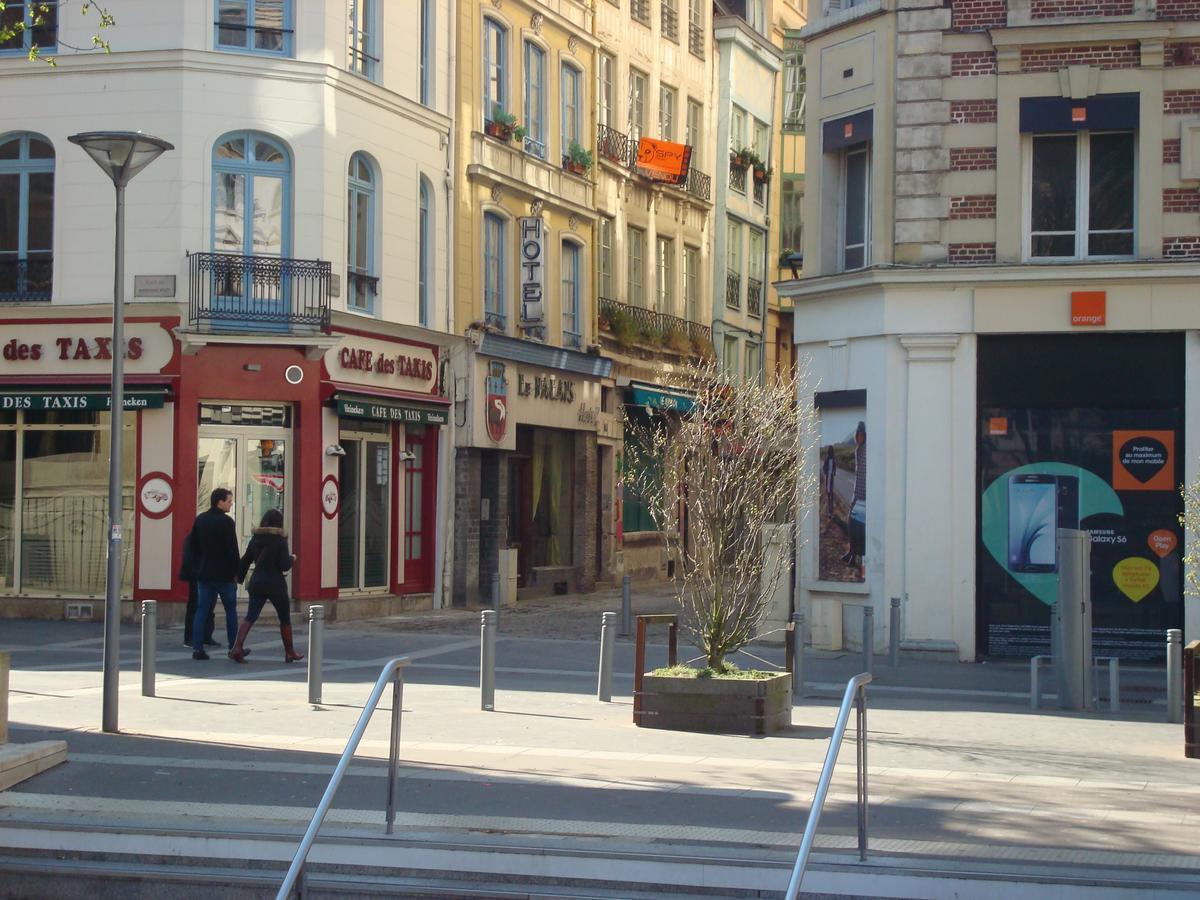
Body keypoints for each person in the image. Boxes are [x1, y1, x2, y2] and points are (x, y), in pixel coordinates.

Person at [230, 508, 303, 663]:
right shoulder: (280, 540)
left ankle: (237, 647)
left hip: (257, 582)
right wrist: (292, 558)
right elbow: (283, 565)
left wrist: (239, 579)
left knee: (250, 616)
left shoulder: (256, 539)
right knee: (284, 617)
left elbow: (245, 560)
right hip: (275, 583)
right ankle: (289, 652)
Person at [190, 488, 240, 661]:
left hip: (204, 574)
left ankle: (197, 648)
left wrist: (197, 567)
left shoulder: (200, 520)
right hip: (224, 574)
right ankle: (233, 647)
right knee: (230, 611)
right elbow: (232, 549)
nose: (231, 503)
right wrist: (236, 572)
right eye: (229, 501)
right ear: (220, 502)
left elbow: (193, 547)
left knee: (202, 610)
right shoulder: (226, 522)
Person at [178, 528, 217, 649]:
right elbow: (189, 560)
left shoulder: (207, 538)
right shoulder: (192, 539)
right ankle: (190, 637)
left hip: (209, 576)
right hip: (197, 577)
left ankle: (206, 636)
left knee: (210, 606)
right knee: (195, 607)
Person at [842, 421, 867, 572]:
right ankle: (852, 552)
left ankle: (858, 557)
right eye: (857, 435)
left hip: (867, 495)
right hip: (858, 494)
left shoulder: (867, 450)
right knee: (851, 522)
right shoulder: (858, 450)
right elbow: (858, 476)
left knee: (862, 526)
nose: (859, 438)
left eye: (861, 435)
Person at [821, 446, 837, 519]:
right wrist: (828, 472)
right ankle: (830, 512)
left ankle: (830, 512)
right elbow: (824, 468)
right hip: (829, 478)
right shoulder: (828, 459)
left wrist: (833, 472)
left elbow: (834, 468)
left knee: (830, 495)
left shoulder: (833, 459)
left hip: (831, 479)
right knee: (829, 495)